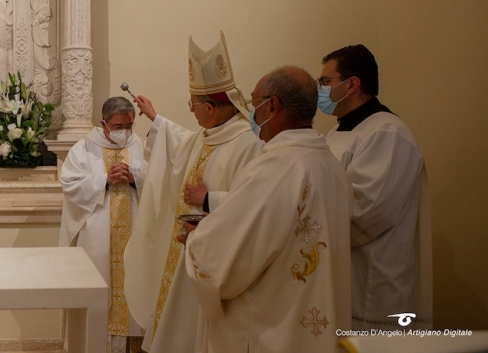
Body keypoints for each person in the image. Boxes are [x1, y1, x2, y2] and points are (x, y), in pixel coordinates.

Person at [181, 66, 352, 353]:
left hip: (271, 330)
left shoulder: (275, 167)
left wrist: (197, 239)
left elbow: (230, 258)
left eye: (253, 103)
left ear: (272, 106)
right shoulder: (331, 165)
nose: (252, 113)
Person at [124, 31, 263, 353]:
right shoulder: (206, 136)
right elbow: (179, 143)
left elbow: (256, 204)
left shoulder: (249, 144)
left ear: (212, 109)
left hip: (215, 258)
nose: (191, 111)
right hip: (185, 251)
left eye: (194, 104)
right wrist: (156, 118)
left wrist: (209, 200)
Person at [317, 44, 432, 330]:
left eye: (325, 82)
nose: (320, 90)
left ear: (352, 84)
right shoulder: (337, 132)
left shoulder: (388, 132)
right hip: (339, 273)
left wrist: (304, 226)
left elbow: (364, 209)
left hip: (371, 282)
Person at [59, 96, 147, 353]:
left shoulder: (139, 145)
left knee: (134, 287)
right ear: (104, 123)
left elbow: (156, 182)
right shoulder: (83, 148)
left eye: (129, 126)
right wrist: (104, 180)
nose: (125, 133)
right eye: (118, 127)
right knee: (99, 287)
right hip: (98, 236)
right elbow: (70, 185)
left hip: (134, 233)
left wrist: (135, 179)